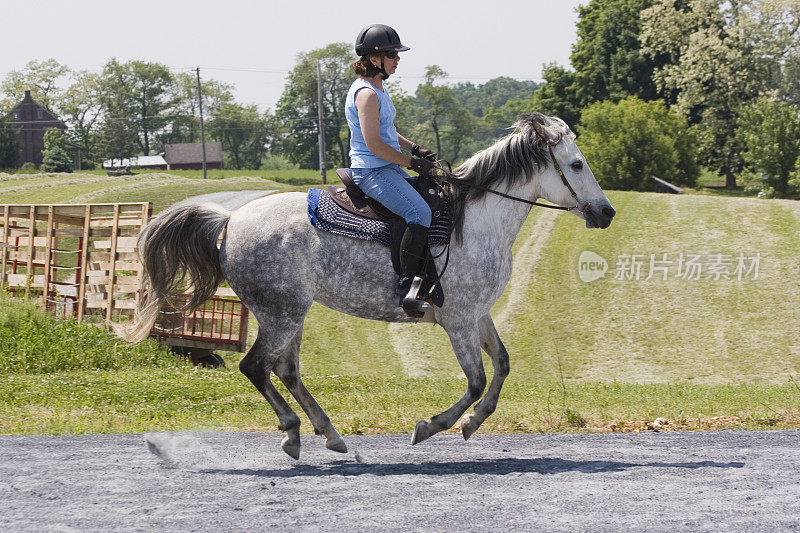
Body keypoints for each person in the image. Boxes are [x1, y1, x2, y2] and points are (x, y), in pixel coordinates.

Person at [345, 23, 438, 316]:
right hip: (372, 171)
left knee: (433, 196)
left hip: (387, 166)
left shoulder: (378, 87)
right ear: (375, 59)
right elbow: (374, 145)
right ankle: (405, 287)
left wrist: (414, 148)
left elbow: (386, 131)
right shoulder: (367, 94)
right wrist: (412, 163)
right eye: (393, 55)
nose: (398, 59)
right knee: (419, 212)